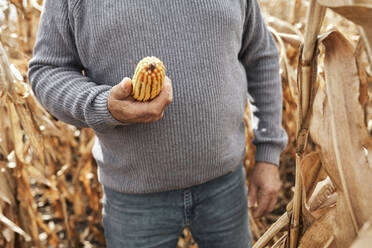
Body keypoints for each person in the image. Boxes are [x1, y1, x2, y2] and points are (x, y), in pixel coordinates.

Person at [28, 0, 288, 247]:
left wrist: (268, 155)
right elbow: (47, 71)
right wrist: (104, 105)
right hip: (134, 199)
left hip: (226, 185)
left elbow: (261, 56)